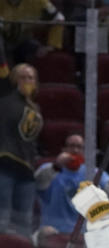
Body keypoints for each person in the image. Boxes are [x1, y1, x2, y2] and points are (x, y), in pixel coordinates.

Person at [34, 133, 109, 235]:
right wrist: (56, 166)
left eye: (79, 147)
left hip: (84, 234)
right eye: (71, 146)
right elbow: (38, 183)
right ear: (64, 149)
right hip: (53, 231)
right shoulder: (49, 168)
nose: (75, 150)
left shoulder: (93, 172)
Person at [0, 58, 42, 236]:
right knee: (3, 219)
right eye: (23, 77)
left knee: (24, 223)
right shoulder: (5, 98)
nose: (27, 81)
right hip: (5, 165)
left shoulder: (35, 107)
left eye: (31, 78)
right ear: (15, 80)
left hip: (26, 170)